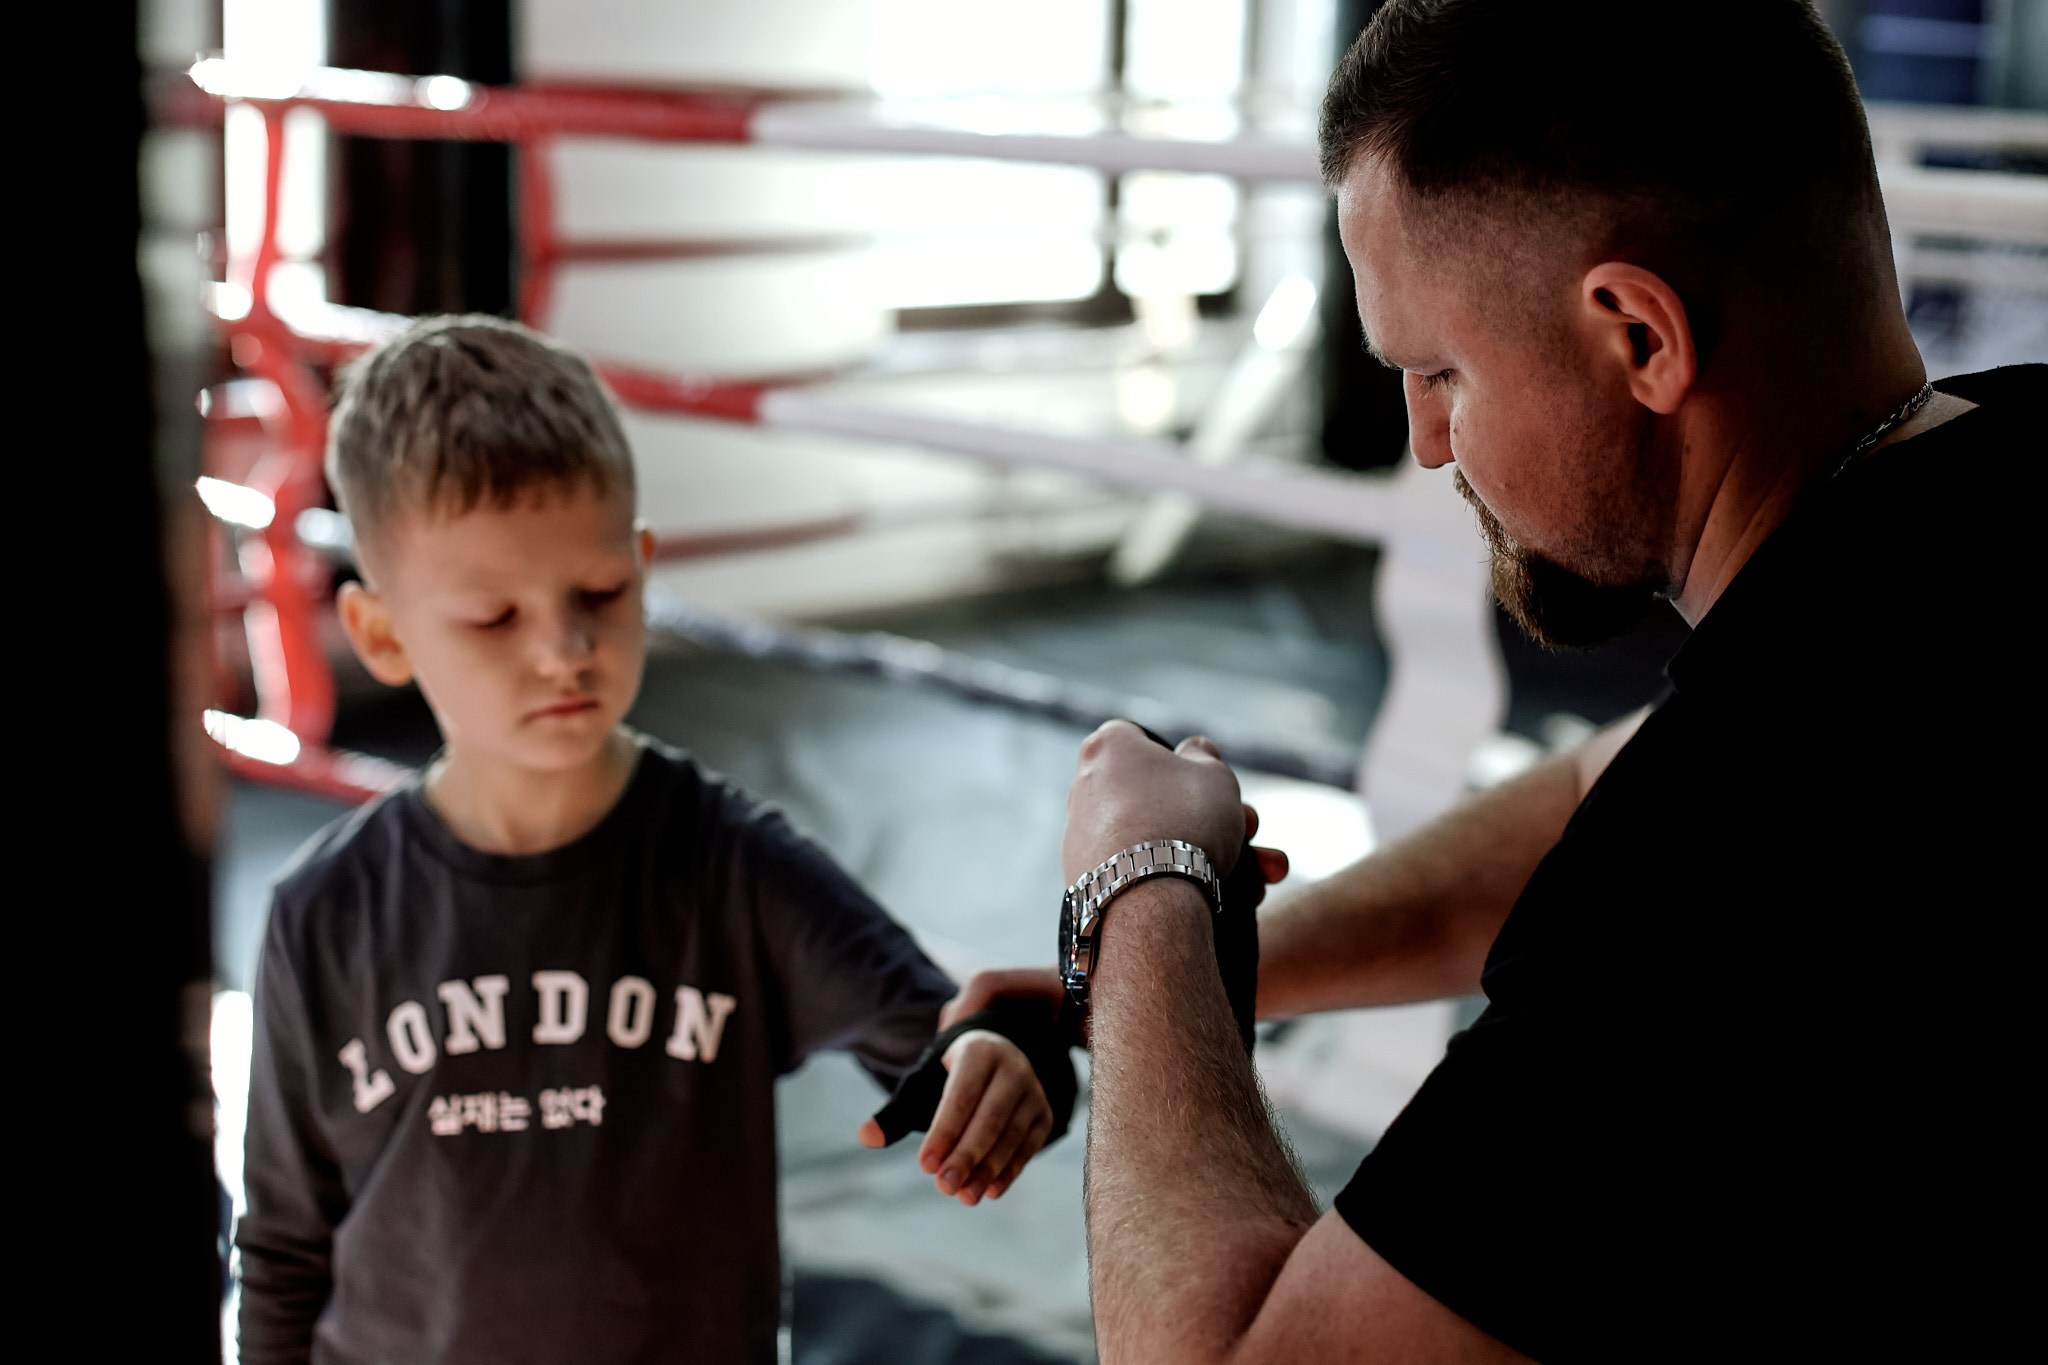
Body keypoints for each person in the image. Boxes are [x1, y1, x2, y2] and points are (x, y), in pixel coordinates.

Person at [954, 1, 2041, 1359]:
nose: (1422, 442)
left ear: (1639, 338)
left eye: (1438, 370)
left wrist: (1148, 882)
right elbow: (1607, 786)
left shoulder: (1737, 846)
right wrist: (1165, 983)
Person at [234, 315, 1073, 1365]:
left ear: (640, 565)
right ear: (382, 635)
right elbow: (279, 1250)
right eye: (494, 617)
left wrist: (1007, 1064)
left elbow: (953, 1040)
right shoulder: (323, 918)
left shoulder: (730, 870)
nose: (565, 651)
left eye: (599, 595)